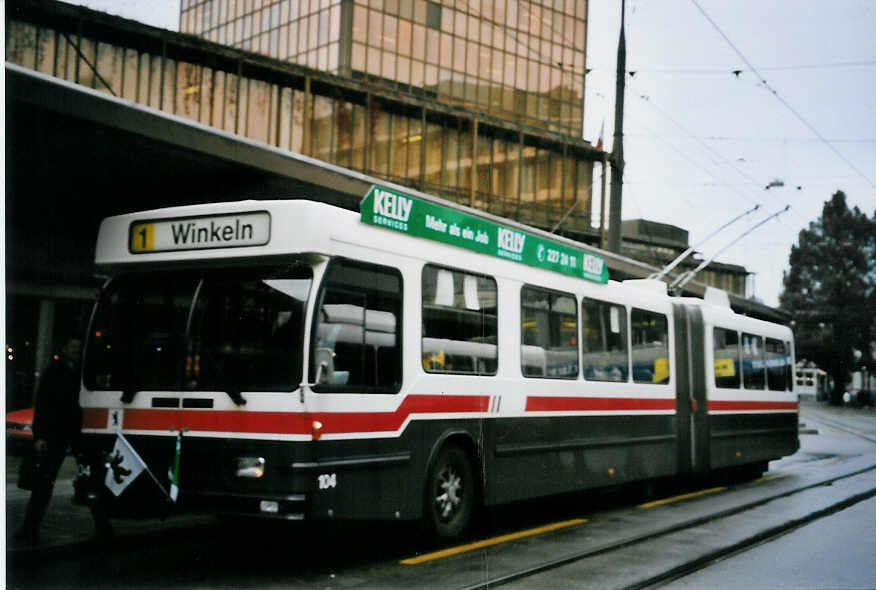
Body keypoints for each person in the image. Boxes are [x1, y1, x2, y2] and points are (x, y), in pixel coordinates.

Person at [15, 338, 113, 544]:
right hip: (61, 433)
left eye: (78, 348)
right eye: (74, 348)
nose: (77, 351)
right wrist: (40, 435)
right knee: (52, 482)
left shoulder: (73, 370)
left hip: (68, 433)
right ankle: (30, 528)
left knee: (75, 479)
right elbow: (43, 403)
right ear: (65, 349)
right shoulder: (61, 370)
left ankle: (30, 528)